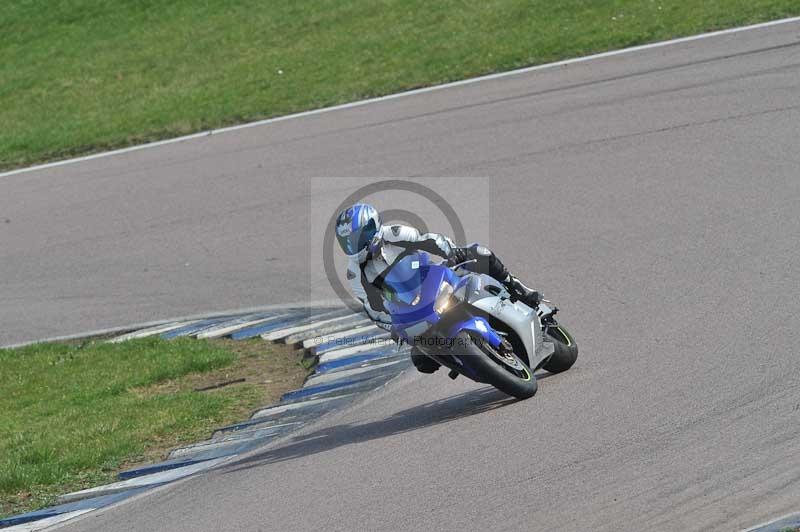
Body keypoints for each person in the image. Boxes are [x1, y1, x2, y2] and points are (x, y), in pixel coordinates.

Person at [335, 203, 540, 374]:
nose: (353, 245)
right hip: (410, 309)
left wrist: (452, 253)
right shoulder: (355, 273)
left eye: (357, 238)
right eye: (348, 242)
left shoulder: (394, 233)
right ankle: (467, 361)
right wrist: (393, 326)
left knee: (479, 252)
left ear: (372, 227)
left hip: (433, 278)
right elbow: (373, 310)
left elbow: (430, 241)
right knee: (422, 361)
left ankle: (517, 287)